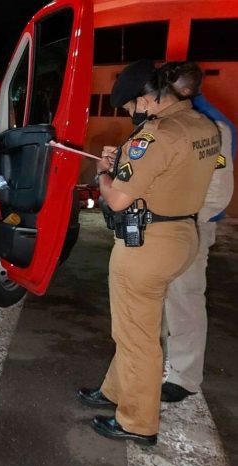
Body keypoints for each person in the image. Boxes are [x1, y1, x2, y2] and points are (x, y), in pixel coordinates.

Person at [77, 60, 220, 445]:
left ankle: (137, 423)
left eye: (129, 107)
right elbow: (171, 175)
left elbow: (119, 199)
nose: (129, 114)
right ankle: (113, 391)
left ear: (146, 98)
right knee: (136, 326)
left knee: (136, 334)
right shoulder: (204, 127)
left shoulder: (157, 135)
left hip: (148, 243)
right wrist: (121, 165)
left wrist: (104, 175)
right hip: (183, 233)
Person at [159, 62, 235, 402]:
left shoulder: (213, 126)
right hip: (165, 225)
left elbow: (219, 190)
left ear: (185, 92)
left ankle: (184, 376)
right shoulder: (174, 119)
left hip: (192, 226)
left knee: (184, 299)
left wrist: (188, 221)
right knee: (158, 299)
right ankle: (155, 364)